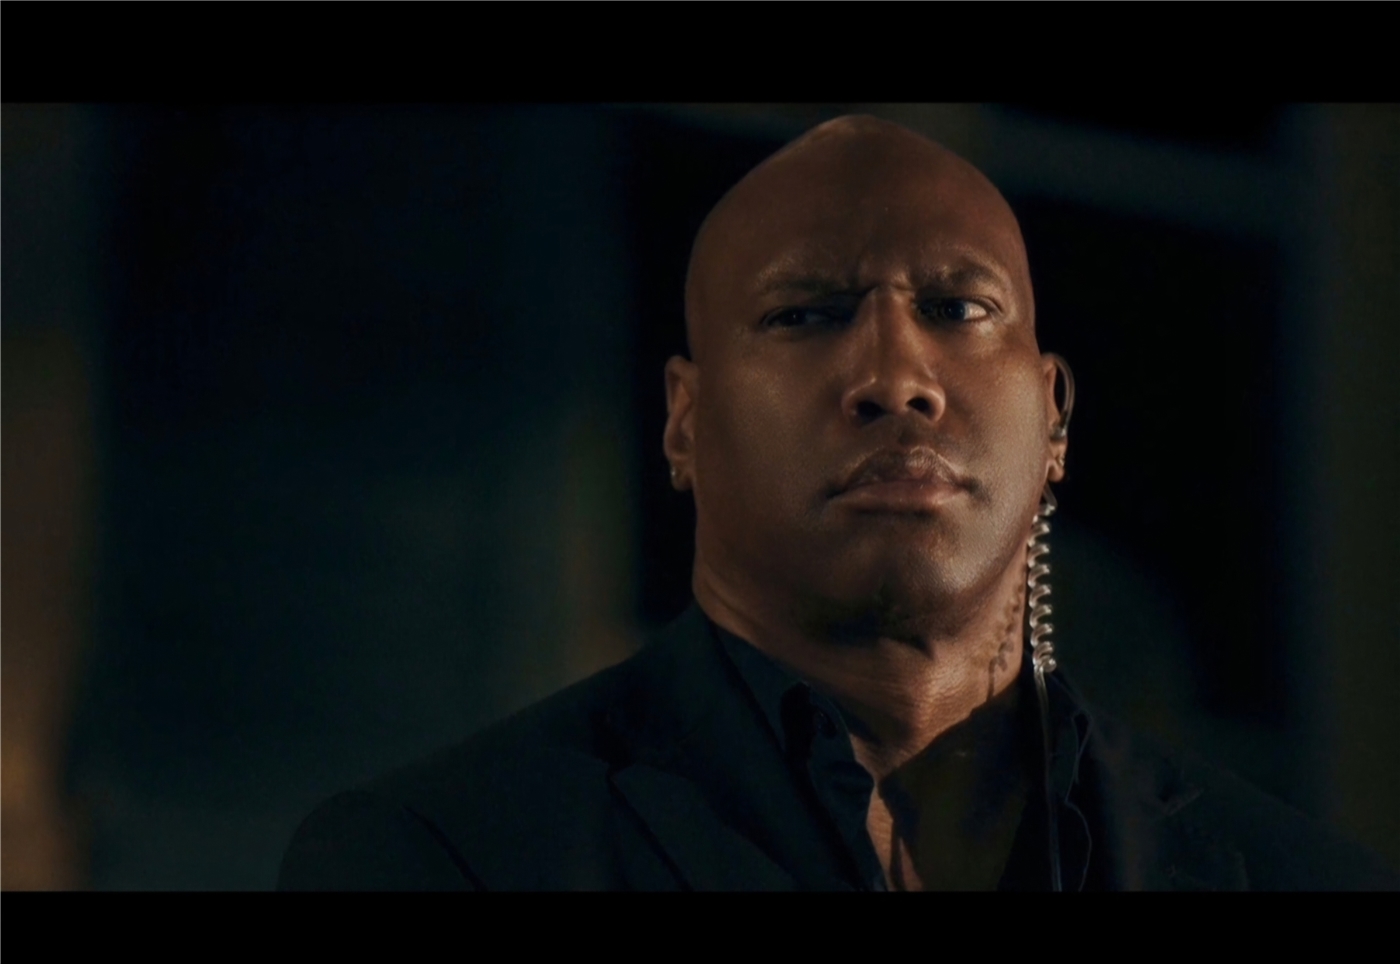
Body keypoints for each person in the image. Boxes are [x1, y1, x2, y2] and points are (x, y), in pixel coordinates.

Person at [278, 116, 1398, 891]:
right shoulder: (440, 857)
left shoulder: (1301, 880)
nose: (895, 377)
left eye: (958, 309)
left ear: (1053, 414)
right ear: (683, 422)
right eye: (806, 314)